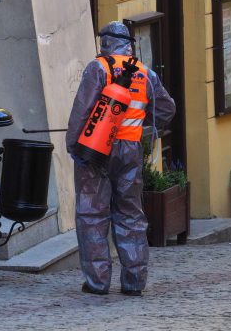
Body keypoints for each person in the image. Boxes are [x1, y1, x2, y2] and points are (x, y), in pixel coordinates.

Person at [66, 21, 176, 296]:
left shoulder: (98, 68)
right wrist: (143, 128)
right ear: (129, 44)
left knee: (92, 214)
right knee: (130, 213)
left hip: (96, 148)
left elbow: (81, 111)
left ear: (104, 43)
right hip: (130, 148)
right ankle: (134, 281)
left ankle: (98, 282)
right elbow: (166, 109)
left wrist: (73, 147)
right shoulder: (145, 73)